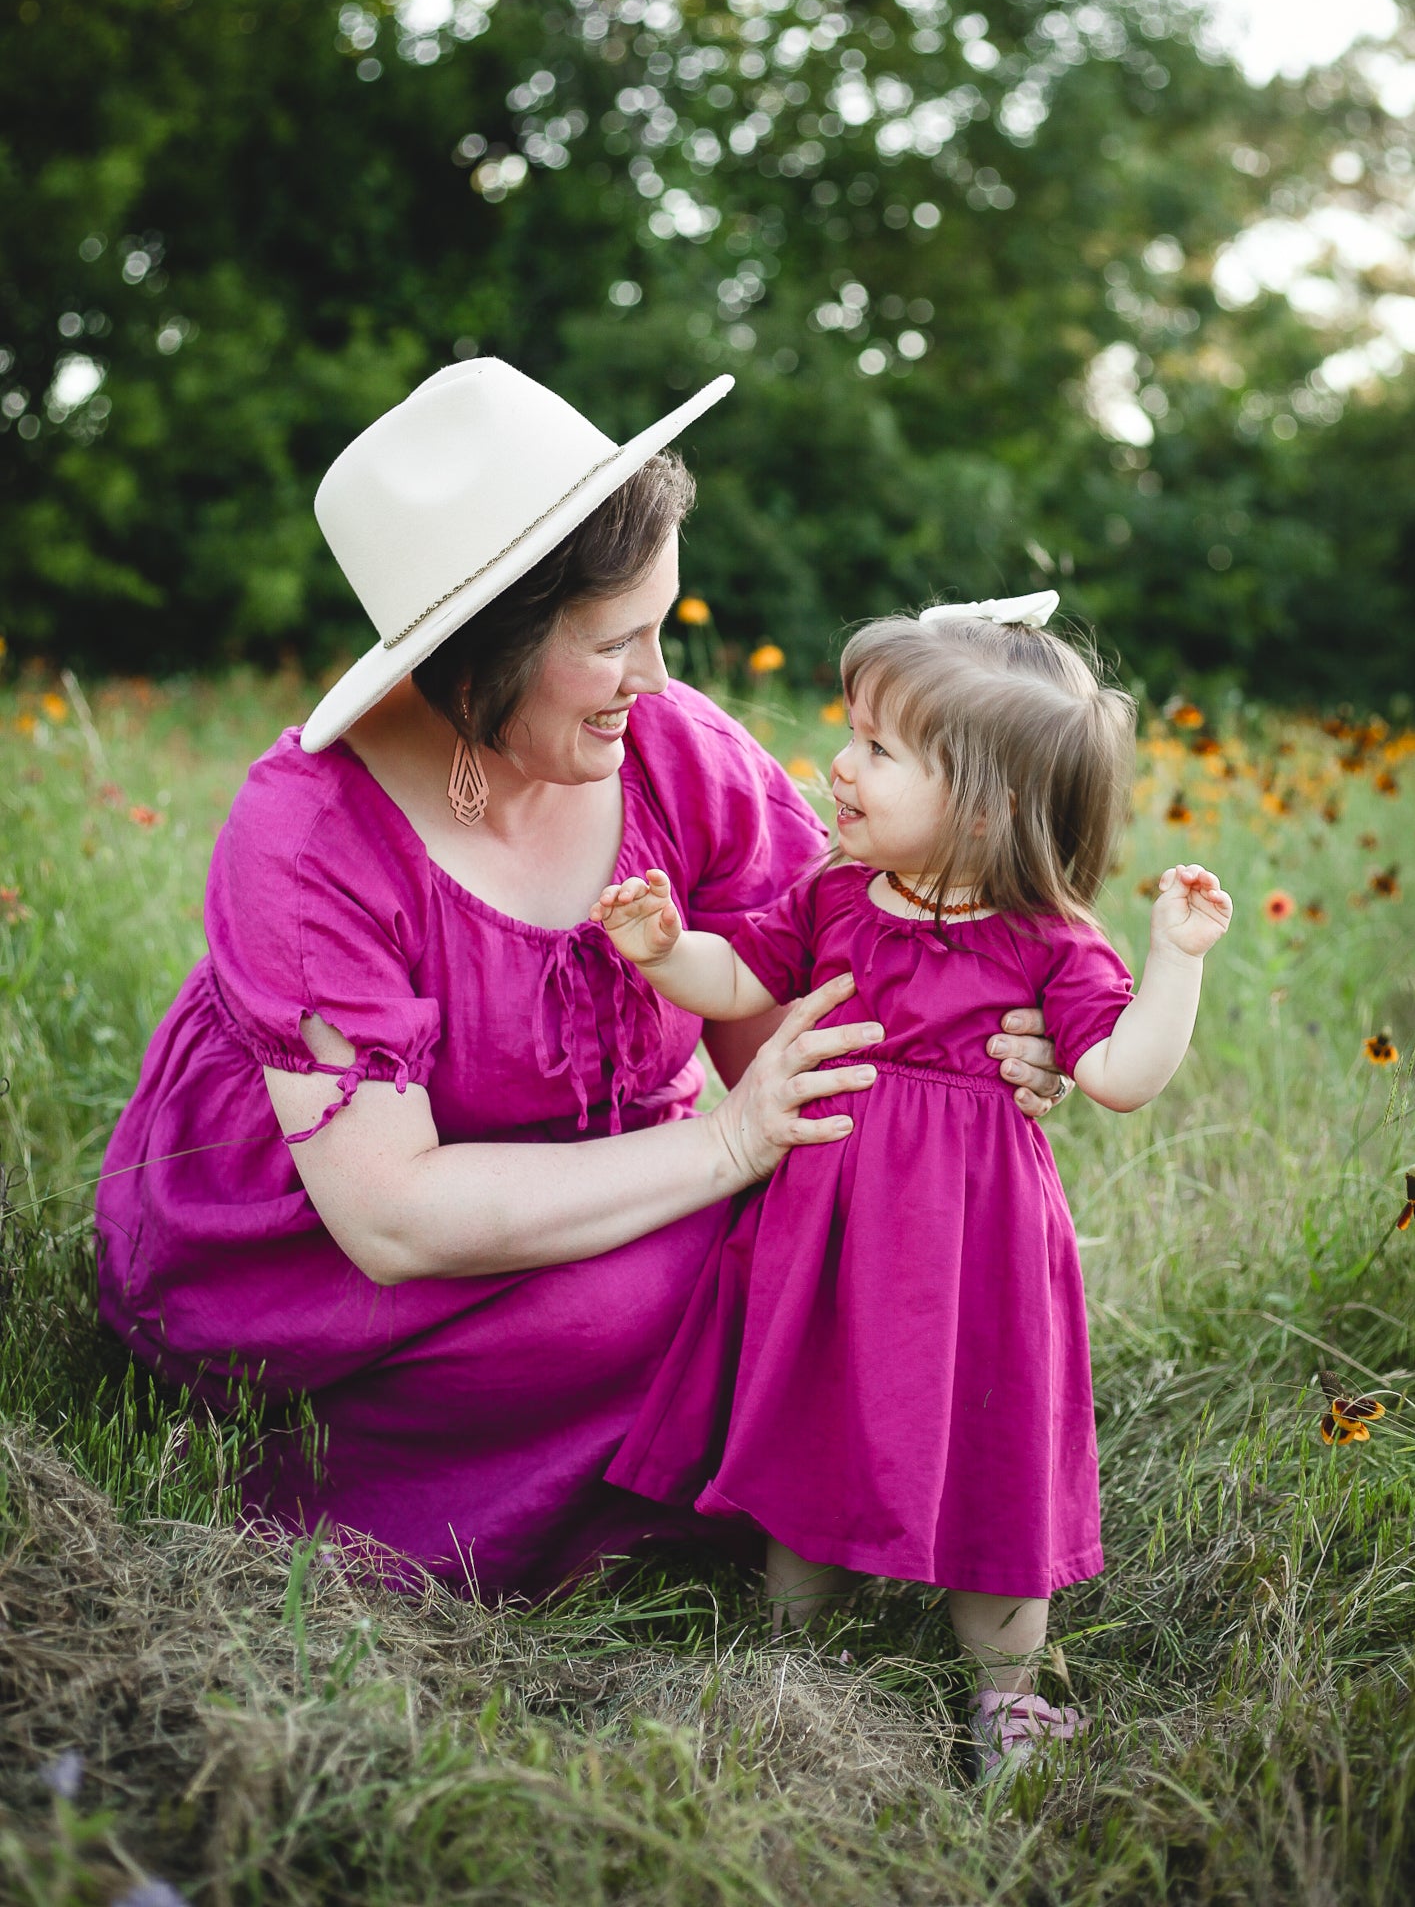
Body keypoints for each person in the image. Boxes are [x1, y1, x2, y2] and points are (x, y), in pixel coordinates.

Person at [95, 360, 1071, 1598]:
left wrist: (981, 1047)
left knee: (842, 1243)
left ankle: (800, 1483)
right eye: (615, 641)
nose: (655, 676)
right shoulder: (306, 840)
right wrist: (723, 1152)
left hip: (612, 1163)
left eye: (661, 623)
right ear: (479, 650)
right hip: (323, 1255)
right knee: (657, 1301)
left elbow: (821, 1034)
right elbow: (391, 1217)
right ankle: (382, 1482)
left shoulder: (677, 754)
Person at [594, 596, 1233, 1775]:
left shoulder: (1046, 939)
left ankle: (1005, 1690)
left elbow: (1121, 1074)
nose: (837, 764)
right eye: (851, 730)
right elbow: (738, 976)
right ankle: (793, 1659)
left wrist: (1172, 965)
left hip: (974, 1245)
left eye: (877, 748)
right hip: (831, 1228)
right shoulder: (837, 895)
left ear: (984, 804)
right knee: (812, 1413)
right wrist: (660, 949)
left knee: (992, 1434)